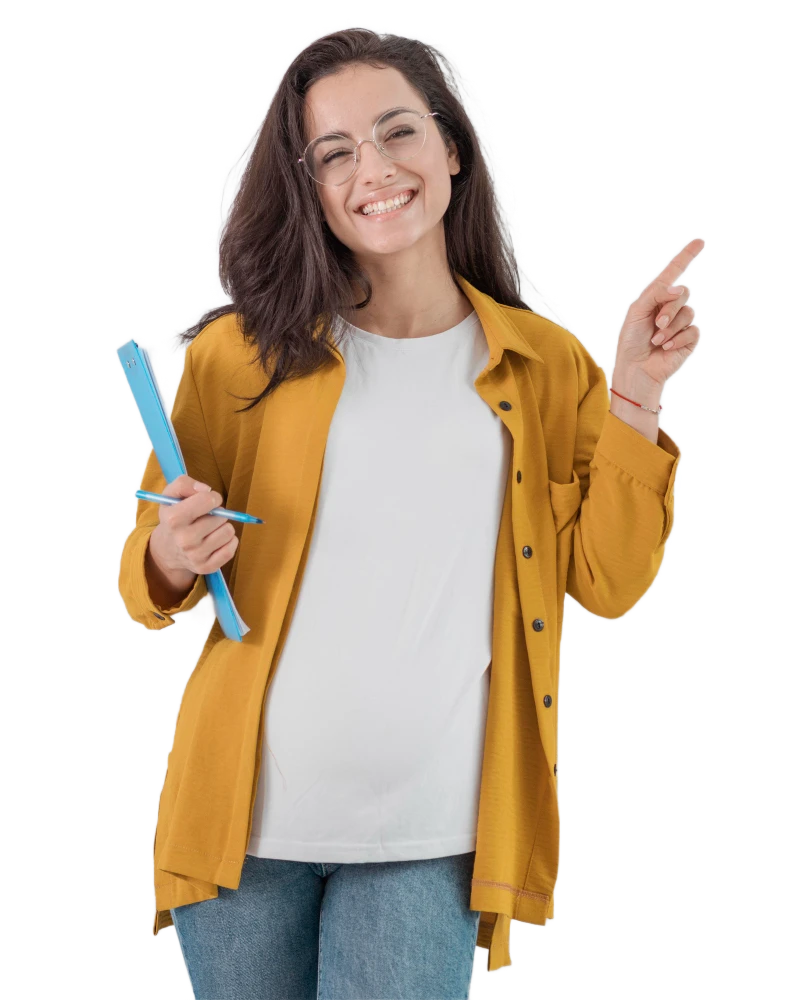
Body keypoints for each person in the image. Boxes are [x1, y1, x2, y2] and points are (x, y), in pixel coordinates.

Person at [118, 25, 701, 1000]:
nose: (373, 169)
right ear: (306, 184)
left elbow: (605, 581)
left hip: (429, 830)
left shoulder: (541, 364)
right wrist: (176, 551)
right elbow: (153, 572)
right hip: (240, 828)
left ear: (452, 149)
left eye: (396, 134)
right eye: (335, 152)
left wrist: (634, 394)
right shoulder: (240, 357)